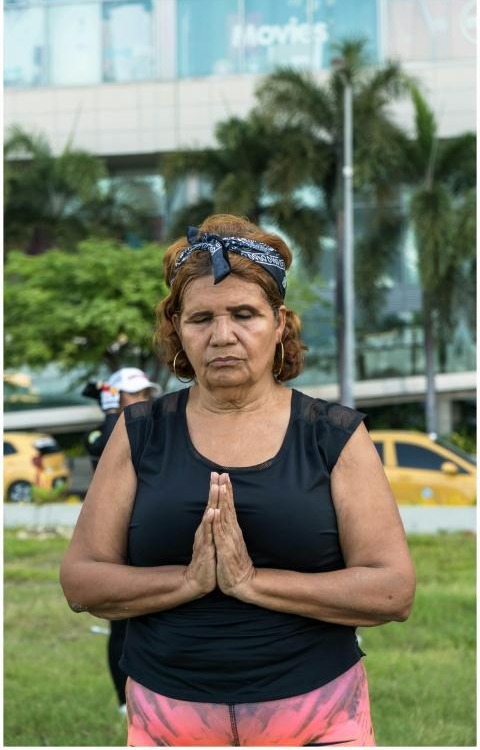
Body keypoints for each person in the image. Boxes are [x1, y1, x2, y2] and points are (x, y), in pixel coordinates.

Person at [61, 214, 416, 747]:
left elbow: (392, 591)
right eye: (200, 317)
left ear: (279, 324)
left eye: (244, 314)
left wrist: (251, 583)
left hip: (317, 717)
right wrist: (187, 582)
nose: (222, 335)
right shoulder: (139, 433)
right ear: (177, 328)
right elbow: (81, 580)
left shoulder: (332, 434)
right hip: (168, 718)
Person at [83, 368, 160, 715]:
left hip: (148, 530)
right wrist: (111, 412)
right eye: (134, 394)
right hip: (115, 536)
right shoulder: (102, 431)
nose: (142, 400)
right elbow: (105, 444)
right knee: (122, 620)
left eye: (146, 393)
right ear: (116, 396)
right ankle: (123, 700)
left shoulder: (157, 427)